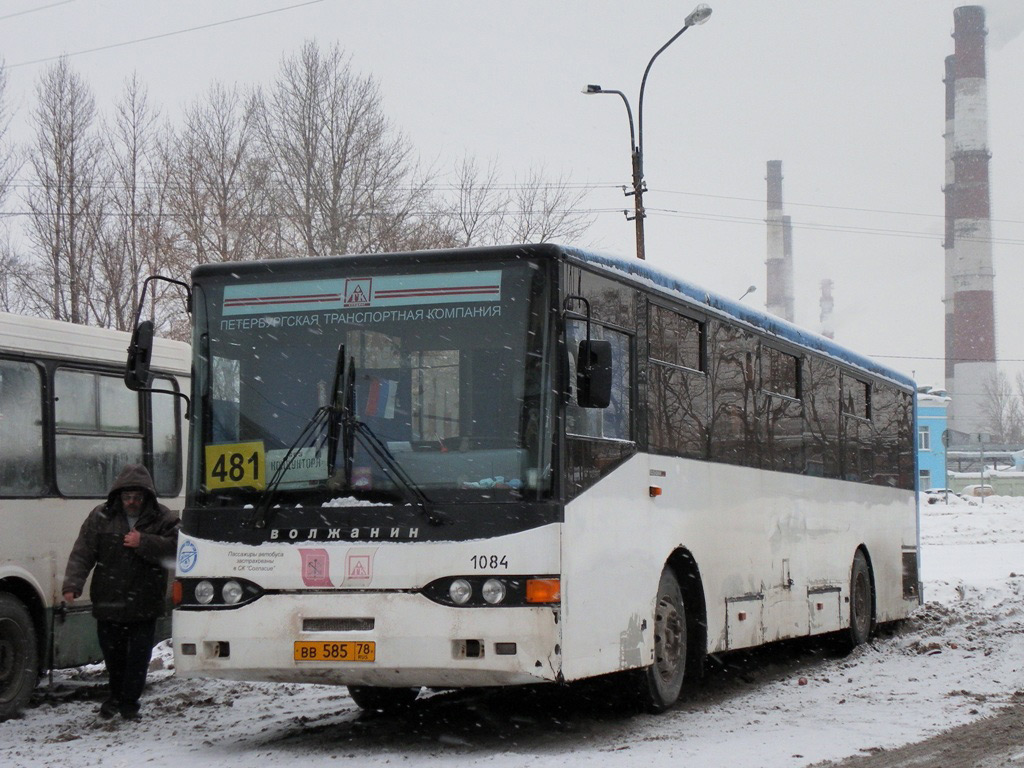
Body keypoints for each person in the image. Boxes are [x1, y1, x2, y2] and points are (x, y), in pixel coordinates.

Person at [61, 464, 180, 720]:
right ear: (119, 496)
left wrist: (144, 542)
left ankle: (129, 704)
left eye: (137, 497)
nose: (132, 502)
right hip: (108, 602)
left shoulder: (164, 518)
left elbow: (178, 549)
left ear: (147, 496)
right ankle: (115, 697)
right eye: (127, 497)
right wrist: (72, 584)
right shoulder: (100, 516)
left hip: (144, 604)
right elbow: (83, 552)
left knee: (138, 659)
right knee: (114, 659)